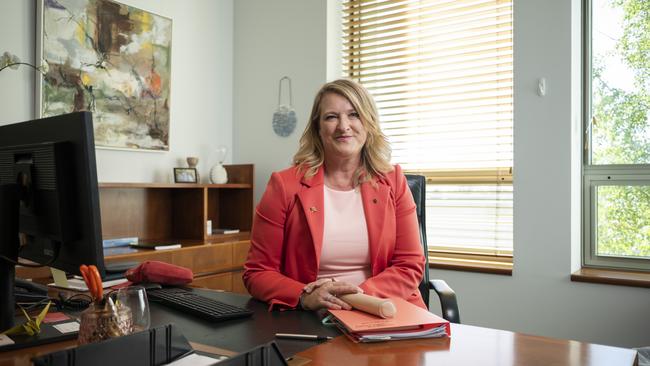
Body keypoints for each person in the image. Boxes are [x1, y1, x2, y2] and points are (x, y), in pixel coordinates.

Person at [243, 79, 425, 311]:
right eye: (331, 117)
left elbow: (409, 264)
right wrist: (303, 295)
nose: (343, 126)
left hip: (384, 308)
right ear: (318, 128)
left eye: (354, 114)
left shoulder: (393, 181)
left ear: (368, 123)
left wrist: (358, 297)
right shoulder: (284, 185)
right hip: (314, 316)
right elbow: (258, 272)